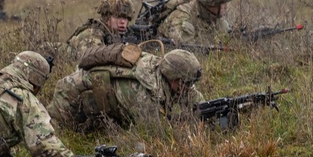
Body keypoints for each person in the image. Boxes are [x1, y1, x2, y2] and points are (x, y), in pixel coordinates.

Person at [47, 48, 206, 132]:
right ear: (173, 78)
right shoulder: (142, 92)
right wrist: (188, 123)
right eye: (186, 82)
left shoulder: (165, 71)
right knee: (60, 135)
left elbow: (196, 101)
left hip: (97, 99)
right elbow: (157, 134)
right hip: (70, 98)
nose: (189, 87)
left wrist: (208, 112)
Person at [157, 0, 239, 44]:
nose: (226, 7)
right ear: (211, 4)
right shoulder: (183, 17)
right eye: (223, 3)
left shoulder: (214, 16)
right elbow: (186, 50)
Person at [63, 0, 136, 60]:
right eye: (117, 17)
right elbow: (93, 60)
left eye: (126, 18)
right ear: (107, 17)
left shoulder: (117, 35)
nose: (123, 22)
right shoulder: (92, 34)